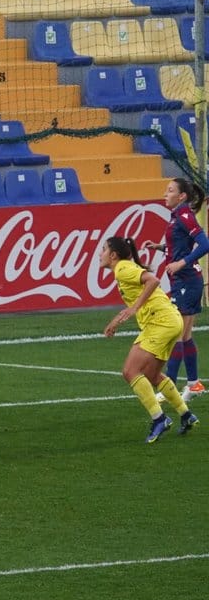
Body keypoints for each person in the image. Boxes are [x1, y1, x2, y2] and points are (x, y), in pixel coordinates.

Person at [101, 234, 198, 441]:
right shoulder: (125, 268)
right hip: (170, 320)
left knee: (130, 371)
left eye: (103, 250)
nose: (101, 254)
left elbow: (153, 281)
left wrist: (134, 308)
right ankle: (186, 414)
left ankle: (159, 419)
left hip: (160, 322)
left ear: (113, 255)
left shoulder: (122, 268)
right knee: (153, 375)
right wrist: (116, 321)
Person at [142, 177, 209, 398]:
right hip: (184, 281)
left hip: (187, 281)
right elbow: (181, 245)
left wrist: (182, 262)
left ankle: (167, 385)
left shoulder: (184, 216)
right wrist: (161, 247)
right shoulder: (177, 217)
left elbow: (205, 243)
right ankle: (194, 383)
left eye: (170, 190)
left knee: (176, 335)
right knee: (185, 335)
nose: (165, 193)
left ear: (182, 196)